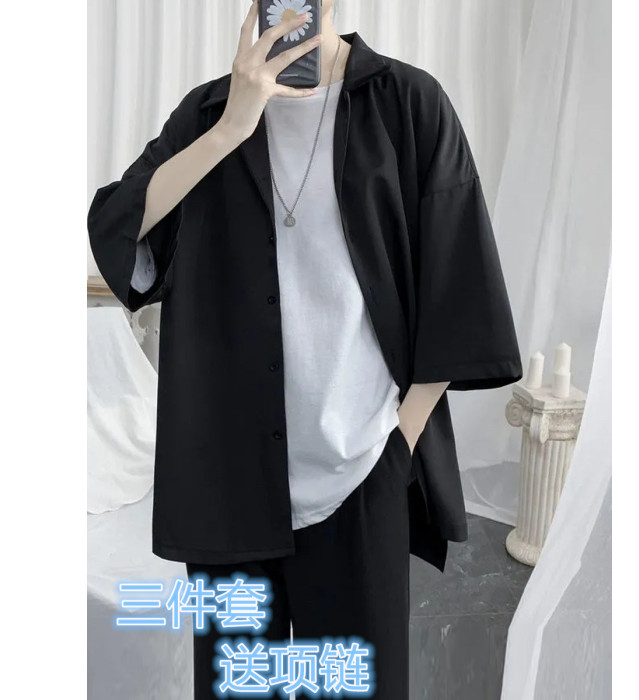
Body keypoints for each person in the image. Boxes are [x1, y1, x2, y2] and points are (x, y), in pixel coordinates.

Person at [87, 1, 523, 698]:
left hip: (362, 470)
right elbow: (117, 227)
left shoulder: (408, 103)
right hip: (227, 481)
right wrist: (234, 126)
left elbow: (456, 277)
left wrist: (398, 444)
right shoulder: (208, 114)